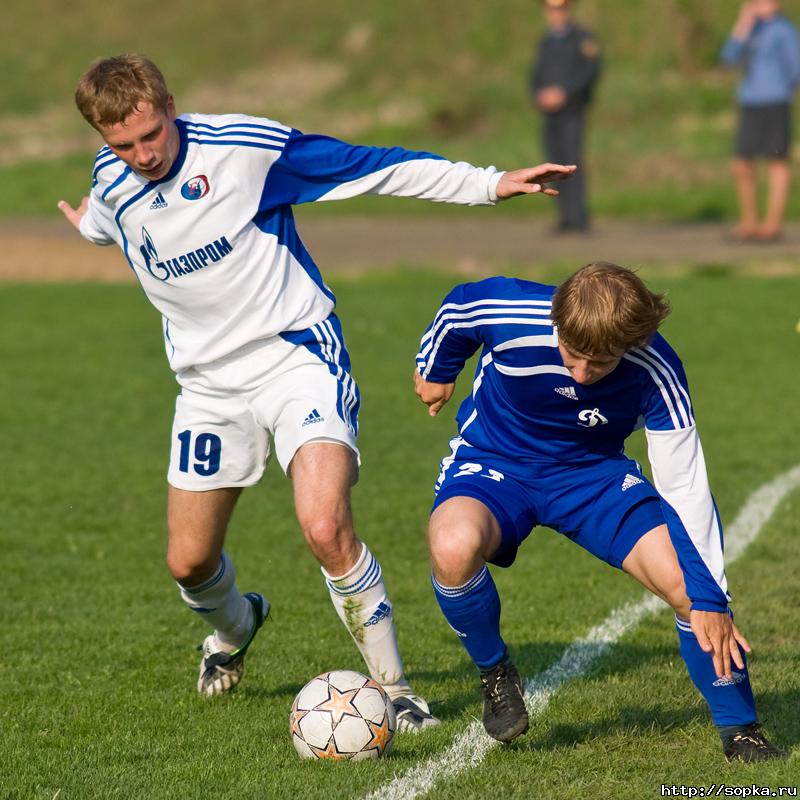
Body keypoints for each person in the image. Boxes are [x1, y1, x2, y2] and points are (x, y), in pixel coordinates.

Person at [58, 54, 575, 731]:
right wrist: (89, 225)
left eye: (150, 135)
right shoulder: (113, 179)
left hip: (295, 356)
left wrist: (488, 183)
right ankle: (237, 627)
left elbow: (371, 164)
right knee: (189, 563)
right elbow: (109, 215)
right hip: (206, 388)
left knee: (326, 525)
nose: (142, 154)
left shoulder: (245, 152)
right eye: (121, 145)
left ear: (171, 106)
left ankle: (395, 692)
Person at [413, 263, 786, 761]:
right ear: (557, 322)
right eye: (573, 355)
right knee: (452, 546)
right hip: (494, 463)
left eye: (601, 363)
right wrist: (438, 370)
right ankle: (496, 672)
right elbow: (459, 309)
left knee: (687, 588)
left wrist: (711, 598)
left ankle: (741, 730)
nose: (583, 374)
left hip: (594, 476)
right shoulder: (509, 310)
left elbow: (684, 487)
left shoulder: (656, 367)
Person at [721, 0, 800, 242]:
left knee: (777, 160)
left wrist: (784, 89)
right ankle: (749, 222)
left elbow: (796, 68)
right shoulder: (751, 29)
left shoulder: (784, 30)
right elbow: (728, 58)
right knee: (742, 163)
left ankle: (772, 224)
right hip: (750, 101)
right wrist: (742, 24)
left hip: (775, 101)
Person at [530, 0, 601, 233]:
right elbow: (535, 75)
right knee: (552, 165)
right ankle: (564, 216)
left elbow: (589, 72)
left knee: (571, 163)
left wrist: (565, 93)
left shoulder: (582, 38)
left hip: (572, 111)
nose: (556, 13)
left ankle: (579, 217)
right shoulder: (546, 41)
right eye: (551, 9)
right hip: (550, 114)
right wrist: (539, 94)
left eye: (559, 8)